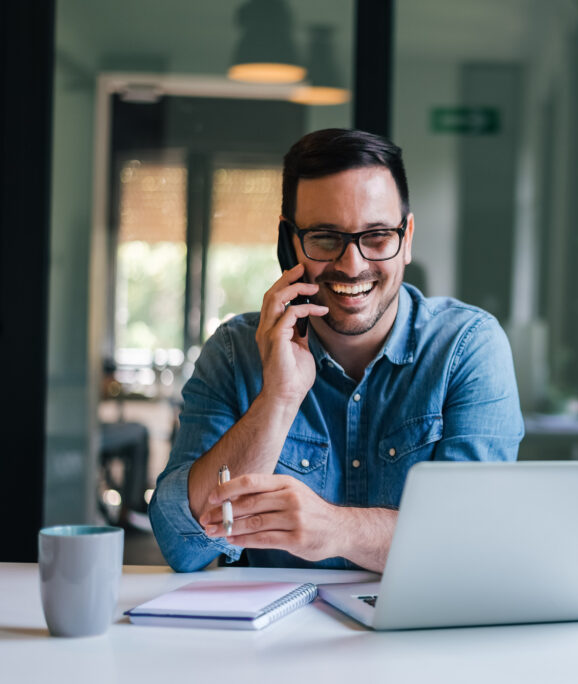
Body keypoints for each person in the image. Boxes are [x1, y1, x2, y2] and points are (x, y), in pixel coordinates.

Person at [149, 129, 524, 573]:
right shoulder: (235, 352)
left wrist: (335, 529)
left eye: (378, 236)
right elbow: (182, 546)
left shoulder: (467, 348)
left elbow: (473, 543)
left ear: (407, 237)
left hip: (418, 637)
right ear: (290, 243)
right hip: (272, 639)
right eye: (326, 238)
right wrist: (278, 400)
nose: (352, 264)